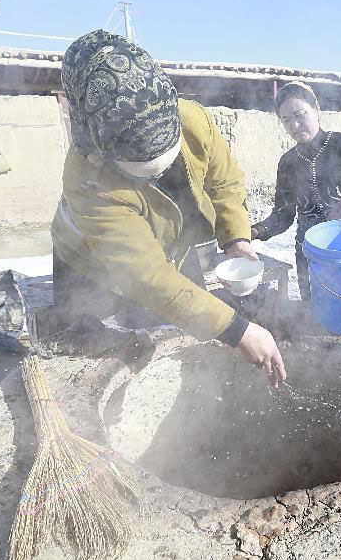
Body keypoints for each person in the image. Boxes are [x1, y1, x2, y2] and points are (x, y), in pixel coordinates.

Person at [51, 29, 285, 386]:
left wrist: (236, 237)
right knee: (100, 359)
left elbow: (225, 182)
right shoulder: (88, 178)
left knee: (186, 333)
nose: (160, 173)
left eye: (168, 159)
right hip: (92, 264)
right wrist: (238, 330)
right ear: (106, 152)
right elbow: (146, 276)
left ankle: (195, 400)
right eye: (144, 170)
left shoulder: (192, 119)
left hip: (169, 247)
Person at [250, 82, 341, 299]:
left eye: (300, 114)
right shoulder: (288, 162)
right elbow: (282, 216)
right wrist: (254, 231)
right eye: (286, 120)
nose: (294, 125)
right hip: (309, 256)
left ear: (317, 109)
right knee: (312, 316)